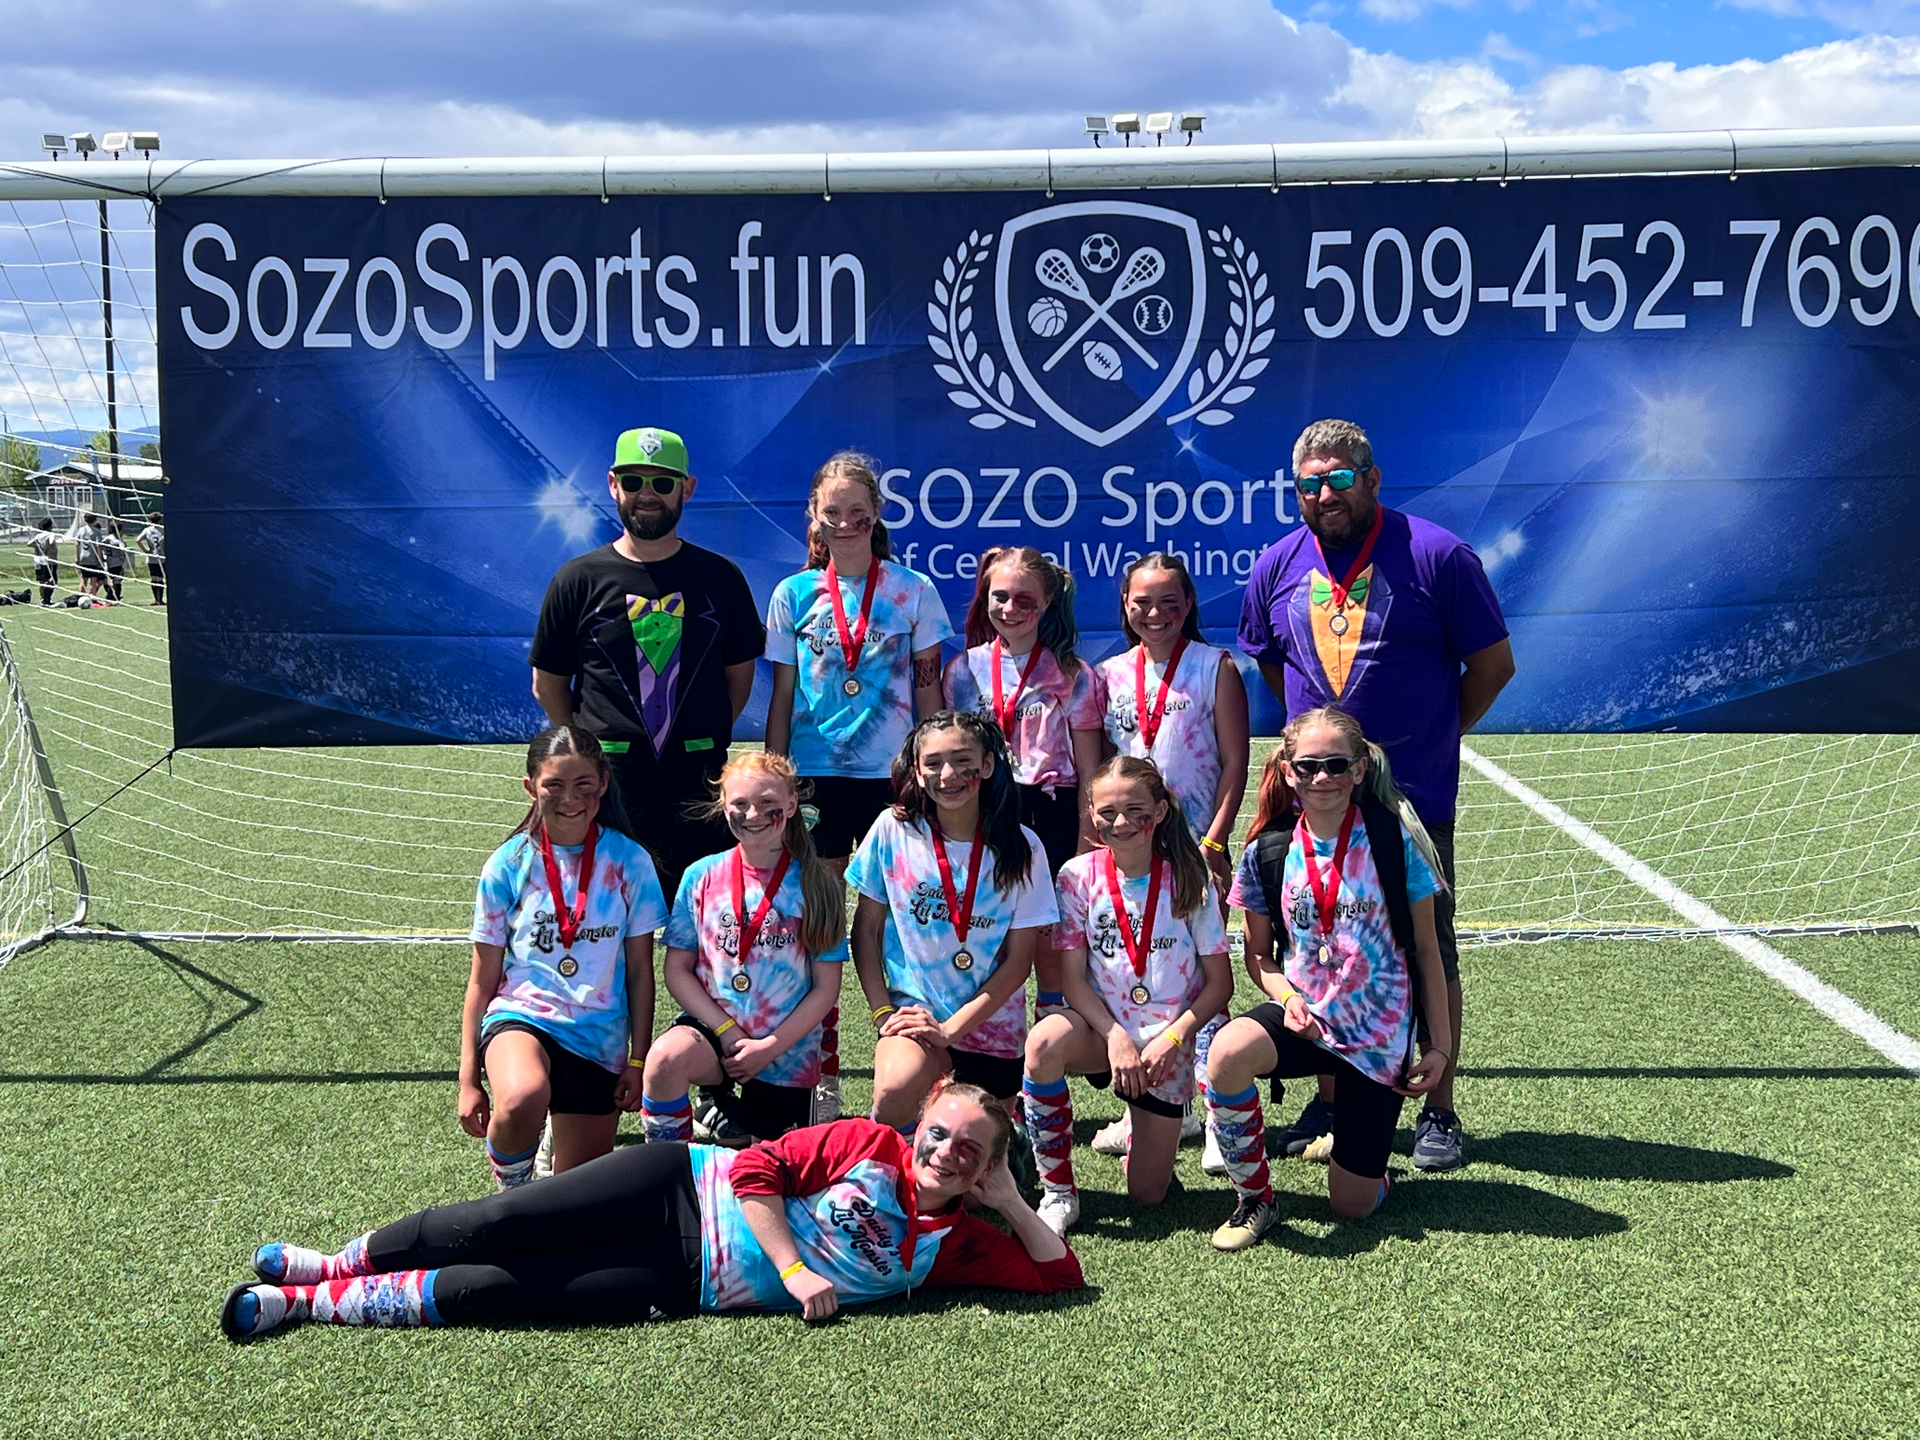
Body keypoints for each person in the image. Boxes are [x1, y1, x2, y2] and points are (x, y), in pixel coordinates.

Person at [220, 1080, 1081, 1340]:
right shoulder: (866, 1142)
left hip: (683, 1279)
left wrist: (1009, 1199)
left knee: (499, 1291)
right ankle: (327, 1263)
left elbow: (1060, 1279)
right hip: (676, 1186)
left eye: (970, 1150)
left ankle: (306, 1308)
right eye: (940, 1133)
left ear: (984, 1168)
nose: (946, 1153)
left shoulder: (955, 1246)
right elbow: (756, 1169)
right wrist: (792, 1269)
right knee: (498, 1223)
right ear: (920, 1125)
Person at [1238, 418, 1513, 1172]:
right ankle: (1333, 1099)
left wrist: (1432, 736)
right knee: (1316, 943)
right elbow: (1273, 665)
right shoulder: (1276, 564)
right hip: (1317, 798)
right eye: (1309, 484)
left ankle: (1439, 1108)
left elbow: (1493, 666)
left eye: (1339, 479)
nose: (1324, 495)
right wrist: (1319, 756)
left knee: (1430, 948)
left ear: (1372, 479)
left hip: (1410, 801)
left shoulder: (1438, 555)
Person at [1206, 706, 1453, 1252]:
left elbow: (1427, 951)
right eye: (1309, 766)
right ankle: (1255, 1198)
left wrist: (1438, 1046)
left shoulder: (1393, 840)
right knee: (1225, 1053)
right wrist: (1287, 997)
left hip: (1376, 1037)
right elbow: (1259, 957)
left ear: (1360, 769)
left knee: (1352, 1206)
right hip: (1307, 1020)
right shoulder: (1267, 850)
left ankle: (1366, 1164)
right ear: (1288, 771)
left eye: (1337, 765)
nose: (1323, 777)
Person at [765, 452, 954, 1121]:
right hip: (816, 778)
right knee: (817, 926)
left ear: (876, 515)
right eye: (832, 513)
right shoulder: (792, 595)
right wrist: (776, 776)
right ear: (814, 518)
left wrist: (933, 770)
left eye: (858, 512)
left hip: (893, 777)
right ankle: (820, 1073)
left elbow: (928, 688)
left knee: (901, 925)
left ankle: (923, 1067)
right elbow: (782, 694)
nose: (845, 523)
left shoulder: (913, 590)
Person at [530, 426, 766, 899]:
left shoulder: (721, 578)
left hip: (700, 786)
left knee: (704, 922)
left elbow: (738, 679)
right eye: (634, 481)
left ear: (687, 488)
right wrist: (590, 749)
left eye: (662, 482)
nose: (647, 495)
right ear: (613, 485)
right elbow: (548, 684)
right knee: (605, 922)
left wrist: (702, 735)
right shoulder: (576, 580)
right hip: (609, 789)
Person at [1022, 757, 1232, 1236]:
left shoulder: (1190, 874)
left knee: (1147, 1195)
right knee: (1043, 1043)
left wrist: (1174, 1039)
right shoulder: (1076, 876)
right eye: (1108, 812)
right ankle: (1058, 1193)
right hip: (1101, 1034)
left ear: (1159, 811)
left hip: (1164, 1048)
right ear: (1091, 814)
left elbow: (1221, 984)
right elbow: (1072, 981)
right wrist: (1115, 1035)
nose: (1121, 823)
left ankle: (1145, 1132)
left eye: (1136, 811)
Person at [1093, 552, 1250, 1167]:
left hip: (1192, 850)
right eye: (1142, 602)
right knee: (1142, 974)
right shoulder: (1108, 674)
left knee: (1205, 979)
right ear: (1125, 607)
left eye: (1168, 601)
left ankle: (1217, 1112)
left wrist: (1213, 842)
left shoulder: (1216, 666)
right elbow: (1102, 772)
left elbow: (1235, 763)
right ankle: (1163, 1106)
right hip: (1131, 851)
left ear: (1188, 605)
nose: (1155, 613)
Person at [460, 725, 668, 1190]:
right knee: (524, 1094)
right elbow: (481, 980)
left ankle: (543, 1198)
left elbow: (640, 972)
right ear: (530, 787)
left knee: (574, 1197)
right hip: (523, 1018)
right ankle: (513, 1194)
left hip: (598, 1038)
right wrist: (468, 1078)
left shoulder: (630, 862)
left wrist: (637, 1061)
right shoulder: (508, 863)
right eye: (554, 785)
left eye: (583, 784)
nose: (570, 799)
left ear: (603, 784)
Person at [849, 711, 1057, 1131]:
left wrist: (949, 1030)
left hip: (992, 1031)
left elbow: (1019, 963)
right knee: (894, 1093)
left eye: (963, 761)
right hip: (914, 1019)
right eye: (933, 763)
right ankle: (890, 1156)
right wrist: (883, 1014)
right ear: (917, 770)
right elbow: (865, 931)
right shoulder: (893, 830)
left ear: (987, 765)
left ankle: (1008, 1138)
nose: (948, 775)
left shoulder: (1023, 847)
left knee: (974, 1155)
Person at [642, 753, 847, 1146]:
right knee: (666, 1060)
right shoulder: (700, 875)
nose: (753, 814)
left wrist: (768, 1048)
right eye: (740, 804)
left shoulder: (817, 883)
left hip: (785, 1050)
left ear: (792, 805)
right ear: (724, 806)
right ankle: (669, 1168)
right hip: (715, 1030)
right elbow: (677, 970)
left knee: (768, 1167)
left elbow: (826, 988)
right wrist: (726, 1030)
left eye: (768, 804)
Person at [943, 545, 1104, 1014]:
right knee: (987, 923)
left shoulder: (1072, 675)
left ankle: (1052, 1018)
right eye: (1000, 597)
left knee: (1049, 931)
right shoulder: (963, 671)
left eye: (1025, 600)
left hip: (1051, 808)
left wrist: (1085, 843)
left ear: (1048, 602)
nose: (1010, 609)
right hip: (984, 806)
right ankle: (992, 1028)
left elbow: (1090, 770)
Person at [71, 512, 105, 600]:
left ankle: (81, 597)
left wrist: (77, 557)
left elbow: (77, 543)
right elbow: (98, 546)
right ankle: (93, 598)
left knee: (84, 579)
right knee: (93, 580)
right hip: (92, 559)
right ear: (95, 520)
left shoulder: (81, 530)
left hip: (83, 558)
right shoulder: (96, 532)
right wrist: (100, 559)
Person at [136, 512, 165, 606]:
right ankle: (160, 599)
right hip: (162, 557)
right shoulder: (164, 529)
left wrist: (145, 550)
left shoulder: (147, 530)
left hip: (152, 557)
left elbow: (138, 540)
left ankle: (156, 600)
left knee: (154, 578)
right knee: (160, 578)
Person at [30, 519, 57, 607]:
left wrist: (38, 546)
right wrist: (48, 548)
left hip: (38, 561)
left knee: (42, 581)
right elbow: (51, 542)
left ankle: (43, 600)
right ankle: (47, 599)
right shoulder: (51, 534)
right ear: (50, 526)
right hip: (48, 561)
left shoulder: (38, 536)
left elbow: (29, 543)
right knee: (52, 581)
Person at [101, 518, 127, 604]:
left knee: (111, 580)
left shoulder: (106, 539)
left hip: (108, 562)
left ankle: (111, 597)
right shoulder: (117, 541)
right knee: (117, 581)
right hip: (117, 562)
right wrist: (123, 556)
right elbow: (122, 549)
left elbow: (100, 547)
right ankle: (114, 598)